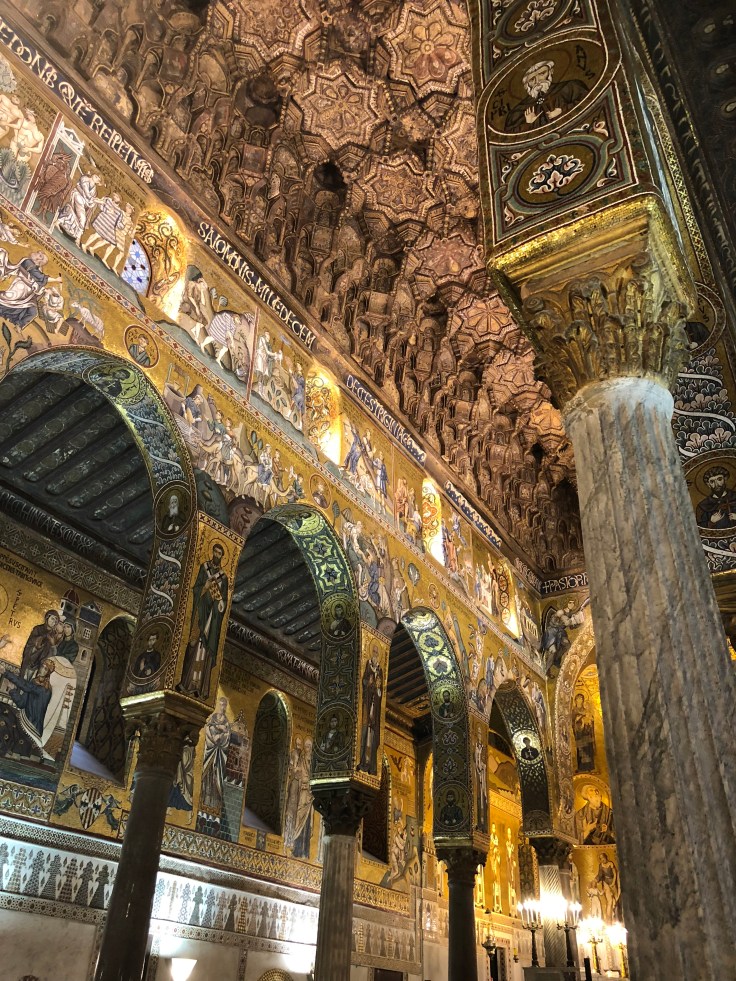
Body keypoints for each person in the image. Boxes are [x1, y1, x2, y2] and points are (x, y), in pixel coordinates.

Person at [179, 543, 229, 699]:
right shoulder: (204, 568)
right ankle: (186, 683)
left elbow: (224, 601)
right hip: (200, 615)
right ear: (212, 552)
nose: (217, 555)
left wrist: (220, 604)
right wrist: (205, 587)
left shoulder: (223, 578)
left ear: (222, 556)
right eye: (215, 551)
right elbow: (195, 589)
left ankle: (201, 688)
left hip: (211, 621)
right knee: (193, 645)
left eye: (219, 553)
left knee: (206, 651)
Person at [504, 59, 589, 133]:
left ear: (550, 71)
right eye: (532, 79)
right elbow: (509, 135)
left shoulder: (569, 87)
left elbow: (588, 102)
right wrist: (528, 124)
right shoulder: (520, 109)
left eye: (542, 73)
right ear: (527, 84)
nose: (537, 81)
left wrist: (563, 110)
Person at [359, 646, 383, 773]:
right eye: (373, 652)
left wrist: (377, 688)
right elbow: (364, 681)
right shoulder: (368, 667)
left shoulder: (380, 671)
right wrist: (369, 683)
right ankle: (363, 761)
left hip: (374, 708)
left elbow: (380, 690)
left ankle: (371, 765)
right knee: (365, 733)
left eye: (377, 653)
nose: (375, 655)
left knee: (372, 736)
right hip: (367, 705)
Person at [695, 465, 736, 530]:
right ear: (708, 484)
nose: (716, 484)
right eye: (712, 481)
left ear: (725, 479)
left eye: (719, 479)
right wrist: (711, 522)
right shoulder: (703, 506)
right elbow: (697, 529)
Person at [572, 692, 596, 772]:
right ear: (575, 700)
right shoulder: (574, 711)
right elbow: (573, 721)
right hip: (579, 734)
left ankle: (589, 767)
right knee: (581, 750)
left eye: (581, 698)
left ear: (583, 700)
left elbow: (591, 720)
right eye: (578, 698)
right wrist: (579, 720)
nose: (580, 700)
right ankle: (581, 767)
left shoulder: (585, 710)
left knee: (588, 749)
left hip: (586, 733)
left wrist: (589, 721)